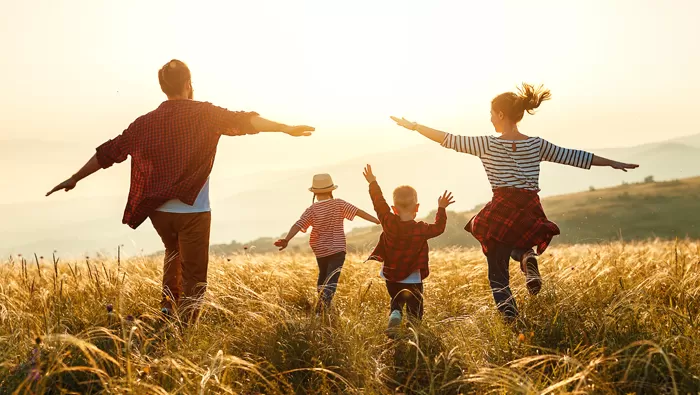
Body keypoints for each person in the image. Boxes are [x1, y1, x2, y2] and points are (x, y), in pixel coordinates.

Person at [46, 59, 315, 321]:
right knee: (195, 274)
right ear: (188, 84)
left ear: (164, 87)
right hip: (193, 210)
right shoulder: (205, 114)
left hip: (158, 211)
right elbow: (245, 121)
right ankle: (186, 327)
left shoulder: (145, 123)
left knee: (172, 253)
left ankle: (167, 309)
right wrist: (284, 128)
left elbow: (110, 152)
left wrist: (75, 177)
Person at [390, 83, 638, 320]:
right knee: (515, 242)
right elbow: (573, 156)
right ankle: (525, 257)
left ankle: (511, 319)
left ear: (500, 114)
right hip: (530, 207)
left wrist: (415, 127)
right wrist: (612, 162)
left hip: (502, 206)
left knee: (497, 273)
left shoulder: (487, 144)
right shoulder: (536, 144)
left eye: (491, 114)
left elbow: (448, 139)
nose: (489, 118)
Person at [362, 164, 454, 335]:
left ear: (394, 209)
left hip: (391, 275)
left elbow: (379, 203)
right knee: (415, 308)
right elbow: (439, 228)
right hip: (413, 277)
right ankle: (413, 332)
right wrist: (441, 208)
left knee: (396, 300)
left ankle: (395, 313)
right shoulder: (421, 229)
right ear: (417, 208)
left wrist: (373, 182)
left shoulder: (388, 222)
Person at [274, 173, 379, 313]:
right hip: (337, 249)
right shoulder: (339, 204)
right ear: (331, 190)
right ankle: (322, 308)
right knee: (332, 278)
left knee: (323, 276)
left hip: (320, 249)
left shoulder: (311, 210)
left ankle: (321, 307)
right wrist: (377, 220)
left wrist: (286, 240)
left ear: (315, 193)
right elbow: (358, 212)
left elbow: (298, 225)